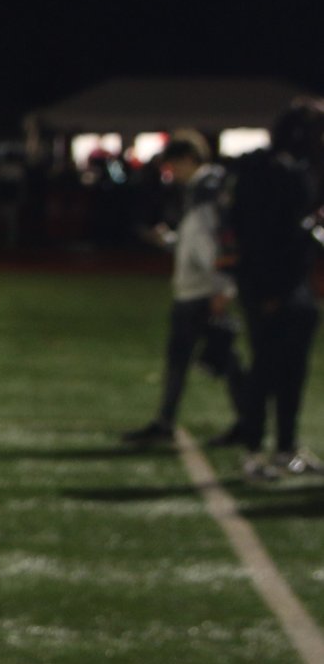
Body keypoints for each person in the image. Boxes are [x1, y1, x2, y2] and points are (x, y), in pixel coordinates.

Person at [120, 131, 260, 451]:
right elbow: (202, 241)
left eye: (173, 165)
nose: (171, 173)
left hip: (203, 291)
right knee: (217, 361)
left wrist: (224, 286)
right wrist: (170, 241)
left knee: (215, 360)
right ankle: (246, 422)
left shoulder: (209, 192)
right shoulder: (203, 191)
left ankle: (242, 423)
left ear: (188, 160)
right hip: (201, 288)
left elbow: (221, 242)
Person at [228, 98, 323, 480]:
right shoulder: (269, 171)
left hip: (292, 284)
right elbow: (261, 234)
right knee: (266, 370)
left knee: (292, 371)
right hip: (272, 284)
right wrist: (269, 288)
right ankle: (253, 451)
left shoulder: (292, 170)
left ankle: (285, 447)